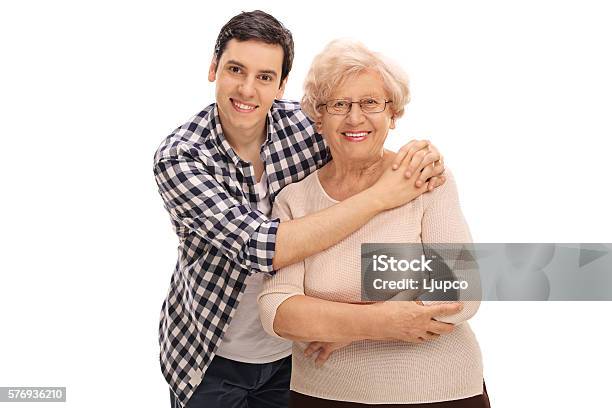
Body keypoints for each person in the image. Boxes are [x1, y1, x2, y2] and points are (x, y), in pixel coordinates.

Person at [155, 11, 452, 408]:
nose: (247, 89)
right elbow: (261, 247)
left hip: (297, 357)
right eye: (235, 70)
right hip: (210, 358)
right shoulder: (180, 158)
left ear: (280, 85)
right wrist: (382, 195)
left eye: (264, 77)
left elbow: (360, 133)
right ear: (213, 69)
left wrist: (420, 158)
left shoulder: (305, 125)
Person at [258, 39, 489, 407]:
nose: (354, 118)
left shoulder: (424, 180)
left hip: (439, 392)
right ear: (318, 117)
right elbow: (279, 312)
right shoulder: (295, 200)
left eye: (370, 103)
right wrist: (379, 321)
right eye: (339, 104)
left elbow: (459, 294)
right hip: (324, 394)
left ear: (393, 114)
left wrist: (342, 327)